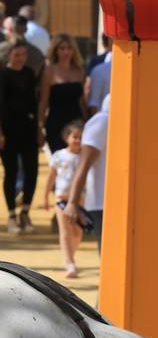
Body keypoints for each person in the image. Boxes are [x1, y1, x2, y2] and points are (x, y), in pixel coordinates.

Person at [0, 40, 41, 234]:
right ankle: (12, 215)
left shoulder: (29, 73)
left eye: (23, 55)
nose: (21, 58)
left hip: (28, 129)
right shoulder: (1, 74)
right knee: (10, 172)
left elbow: (34, 104)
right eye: (17, 54)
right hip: (7, 131)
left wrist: (38, 129)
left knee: (32, 171)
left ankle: (25, 211)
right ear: (9, 55)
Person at [63, 95, 108, 253]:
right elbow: (84, 165)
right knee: (108, 254)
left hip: (118, 201)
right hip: (102, 203)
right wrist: (73, 202)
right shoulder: (102, 121)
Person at [42, 121, 87, 278]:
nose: (77, 140)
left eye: (81, 137)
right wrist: (45, 196)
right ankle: (70, 262)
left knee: (78, 232)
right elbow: (51, 177)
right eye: (75, 137)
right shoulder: (59, 155)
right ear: (67, 137)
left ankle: (70, 256)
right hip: (62, 198)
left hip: (81, 199)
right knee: (65, 232)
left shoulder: (85, 156)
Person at [38, 34, 85, 153]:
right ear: (56, 50)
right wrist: (39, 128)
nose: (66, 52)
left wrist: (87, 121)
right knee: (60, 161)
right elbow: (43, 102)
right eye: (62, 48)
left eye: (69, 48)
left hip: (77, 122)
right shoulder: (49, 71)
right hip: (56, 123)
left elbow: (82, 101)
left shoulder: (79, 71)